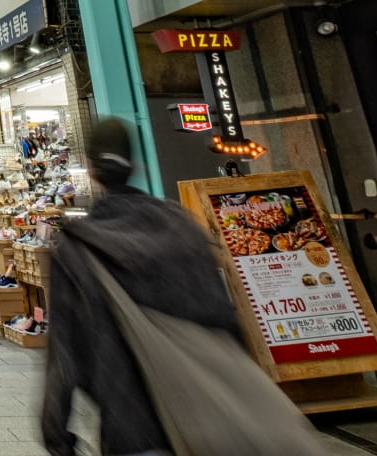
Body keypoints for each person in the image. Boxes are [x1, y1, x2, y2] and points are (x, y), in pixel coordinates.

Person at [40, 118, 242, 456]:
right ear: (134, 166)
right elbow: (227, 321)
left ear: (91, 171)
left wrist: (57, 437)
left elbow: (63, 356)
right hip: (208, 415)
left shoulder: (77, 249)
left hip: (130, 425)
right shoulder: (183, 228)